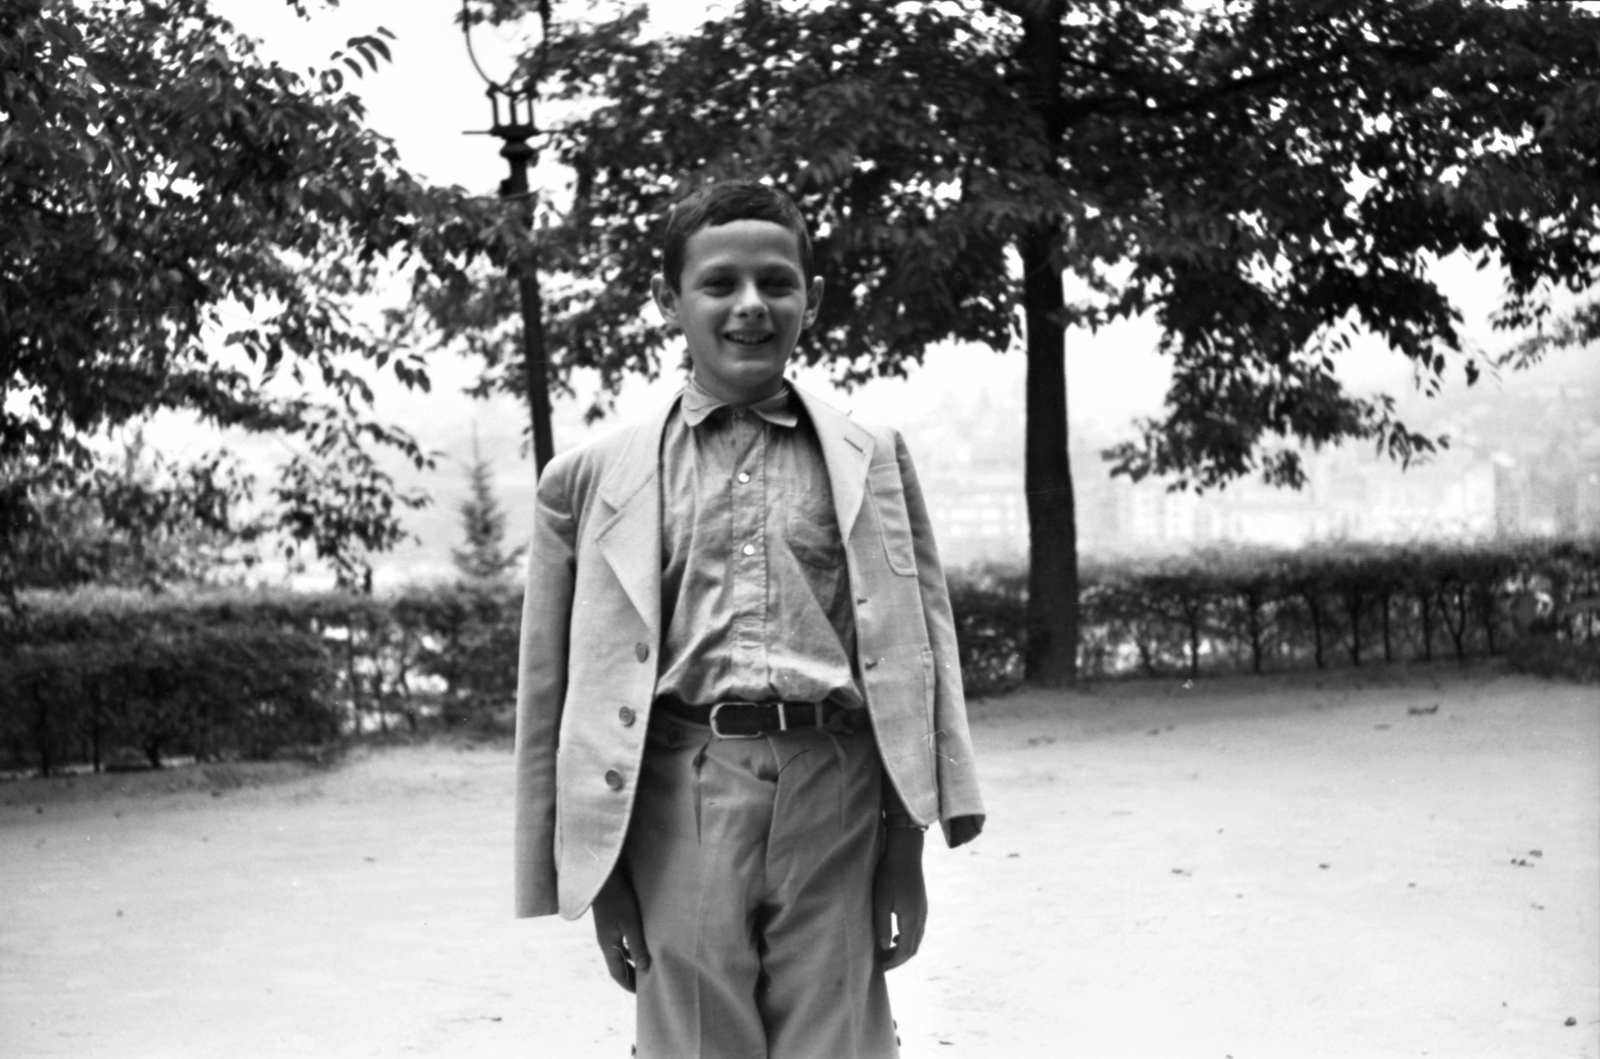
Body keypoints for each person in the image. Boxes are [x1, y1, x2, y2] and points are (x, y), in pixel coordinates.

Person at [512, 178, 985, 1059]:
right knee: (693, 1044)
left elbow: (919, 654)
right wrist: (599, 880)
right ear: (669, 300)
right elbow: (552, 697)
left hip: (836, 793)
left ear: (811, 296)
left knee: (840, 1043)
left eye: (777, 282)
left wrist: (905, 851)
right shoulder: (586, 481)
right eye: (719, 283)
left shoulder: (872, 459)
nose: (750, 307)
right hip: (676, 795)